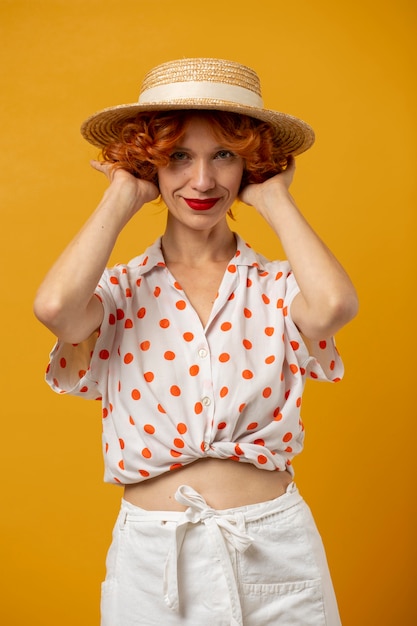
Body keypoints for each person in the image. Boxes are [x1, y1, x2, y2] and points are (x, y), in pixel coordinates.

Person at [34, 58, 358, 626]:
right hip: (154, 562)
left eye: (225, 156)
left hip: (273, 550)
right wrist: (122, 194)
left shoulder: (278, 287)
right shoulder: (116, 295)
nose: (203, 182)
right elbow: (55, 309)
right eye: (179, 156)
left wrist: (275, 198)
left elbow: (334, 307)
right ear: (151, 163)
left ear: (250, 167)